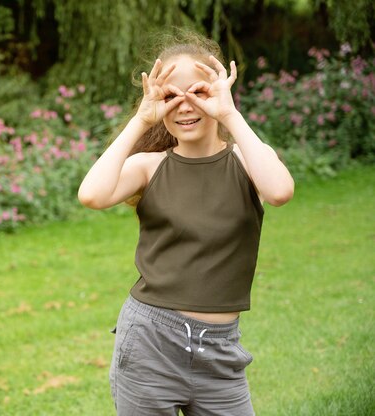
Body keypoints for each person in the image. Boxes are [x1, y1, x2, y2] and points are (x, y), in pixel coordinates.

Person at [77, 30, 294, 416]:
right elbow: (91, 195)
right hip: (149, 343)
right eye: (170, 96)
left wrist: (229, 114)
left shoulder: (247, 160)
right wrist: (142, 121)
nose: (185, 105)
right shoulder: (149, 167)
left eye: (198, 91)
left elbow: (279, 191)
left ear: (220, 90)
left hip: (221, 353)